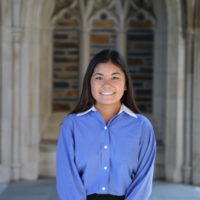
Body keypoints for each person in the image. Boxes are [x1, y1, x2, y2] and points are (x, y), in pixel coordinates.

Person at [56, 49, 156, 200]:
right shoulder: (72, 124)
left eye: (115, 77)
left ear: (126, 84)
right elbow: (66, 178)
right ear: (89, 82)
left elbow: (144, 180)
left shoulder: (142, 127)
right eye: (99, 77)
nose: (106, 85)